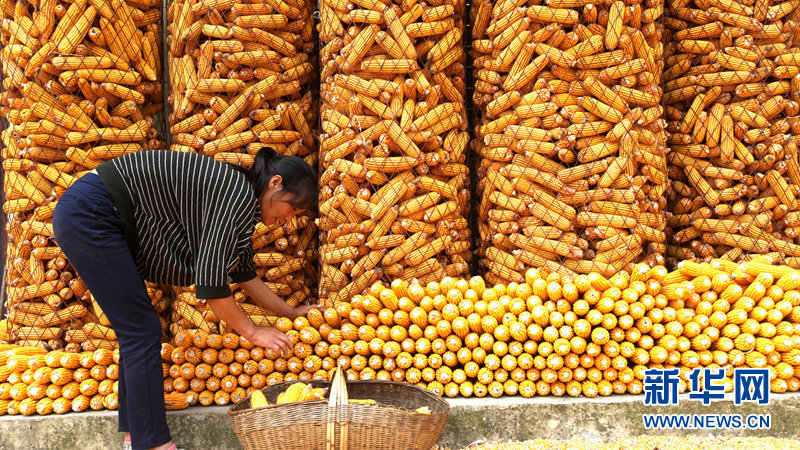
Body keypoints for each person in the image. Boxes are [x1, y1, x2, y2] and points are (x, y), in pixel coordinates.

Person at [52, 147, 320, 450]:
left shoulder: (241, 203)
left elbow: (244, 275)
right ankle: (152, 444)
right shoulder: (238, 196)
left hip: (93, 211)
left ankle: (136, 438)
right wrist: (253, 332)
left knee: (137, 332)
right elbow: (211, 283)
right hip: (93, 212)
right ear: (275, 184)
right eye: (293, 208)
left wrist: (291, 313)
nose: (289, 220)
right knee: (141, 331)